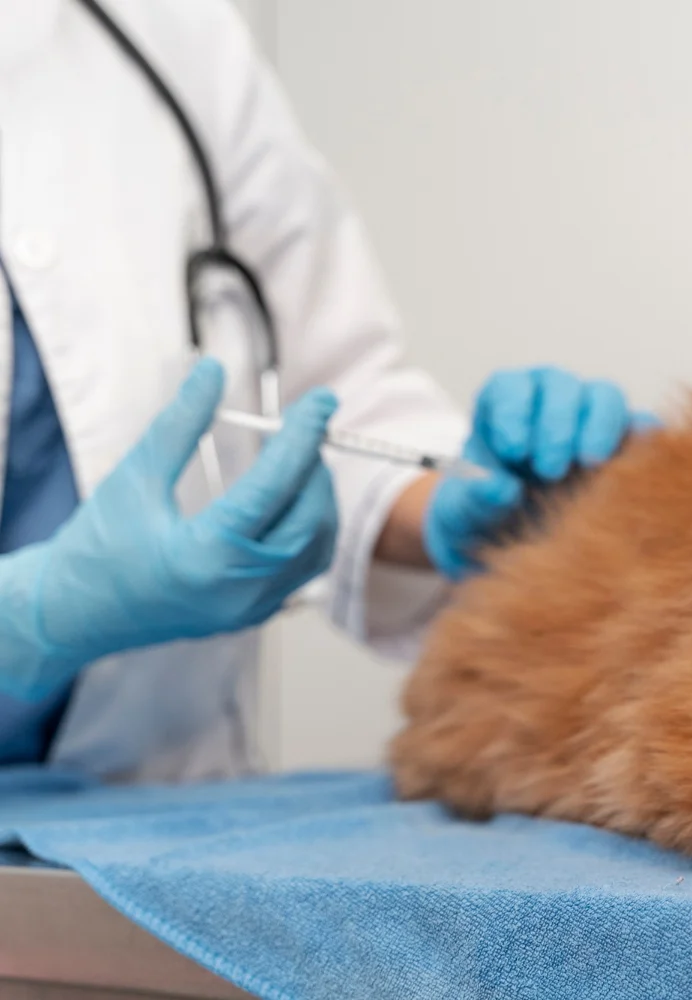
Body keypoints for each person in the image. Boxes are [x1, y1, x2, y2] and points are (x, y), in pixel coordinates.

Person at [0, 0, 646, 782]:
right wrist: (33, 620)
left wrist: (449, 508)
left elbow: (323, 402)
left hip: (160, 813)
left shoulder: (162, 30)